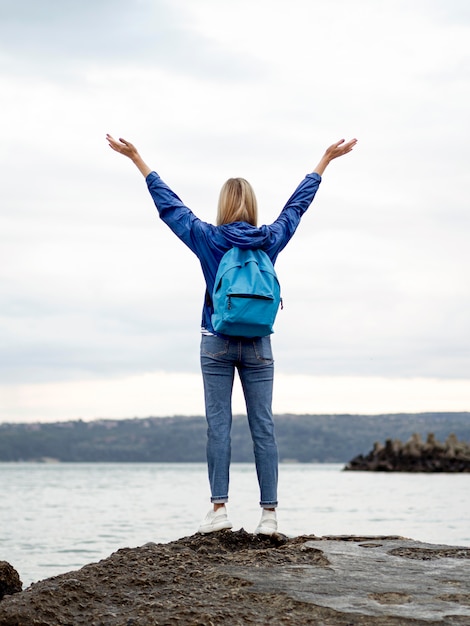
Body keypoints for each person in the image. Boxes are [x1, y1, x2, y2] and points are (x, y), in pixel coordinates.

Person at [106, 133, 357, 535]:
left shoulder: (207, 237)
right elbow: (298, 207)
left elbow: (169, 205)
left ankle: (219, 511)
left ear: (222, 205)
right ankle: (270, 517)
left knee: (218, 426)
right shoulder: (270, 239)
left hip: (216, 339)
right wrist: (324, 160)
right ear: (253, 207)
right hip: (259, 342)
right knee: (264, 426)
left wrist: (137, 158)